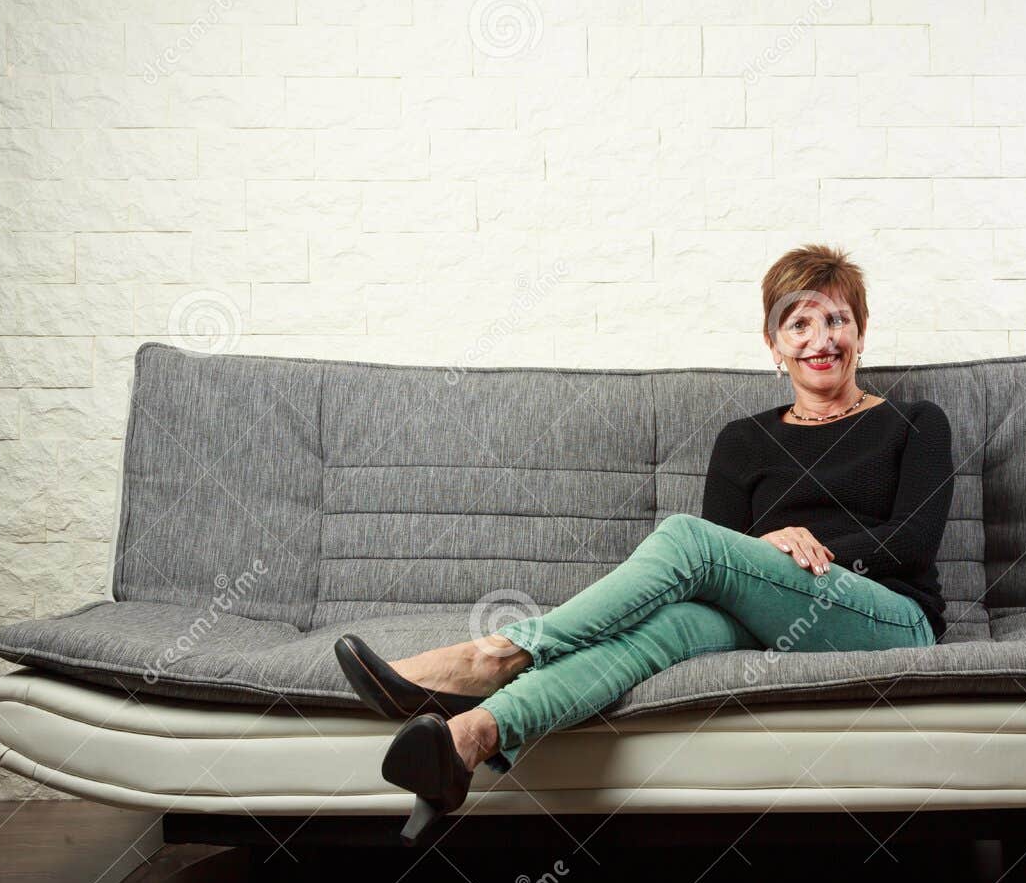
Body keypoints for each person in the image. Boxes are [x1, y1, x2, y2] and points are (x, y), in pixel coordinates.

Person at [336, 243, 955, 843]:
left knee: (685, 539)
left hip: (888, 615)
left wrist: (799, 547)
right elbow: (727, 557)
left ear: (862, 333)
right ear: (774, 345)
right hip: (769, 614)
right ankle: (466, 740)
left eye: (837, 320)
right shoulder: (743, 440)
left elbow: (913, 541)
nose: (821, 339)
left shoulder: (915, 422)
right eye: (799, 324)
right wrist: (763, 547)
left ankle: (496, 656)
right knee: (663, 630)